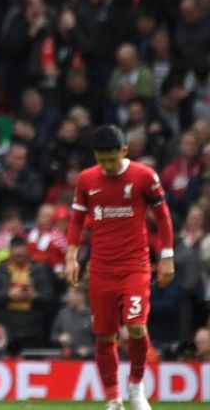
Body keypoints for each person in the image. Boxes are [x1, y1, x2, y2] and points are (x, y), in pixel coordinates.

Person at [65, 125, 174, 410]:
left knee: (136, 327)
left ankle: (136, 389)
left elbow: (162, 217)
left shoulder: (144, 176)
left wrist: (167, 256)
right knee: (104, 335)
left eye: (112, 159)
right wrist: (71, 256)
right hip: (100, 269)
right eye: (102, 160)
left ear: (124, 150)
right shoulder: (86, 180)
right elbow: (76, 222)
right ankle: (113, 399)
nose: (108, 165)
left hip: (134, 266)